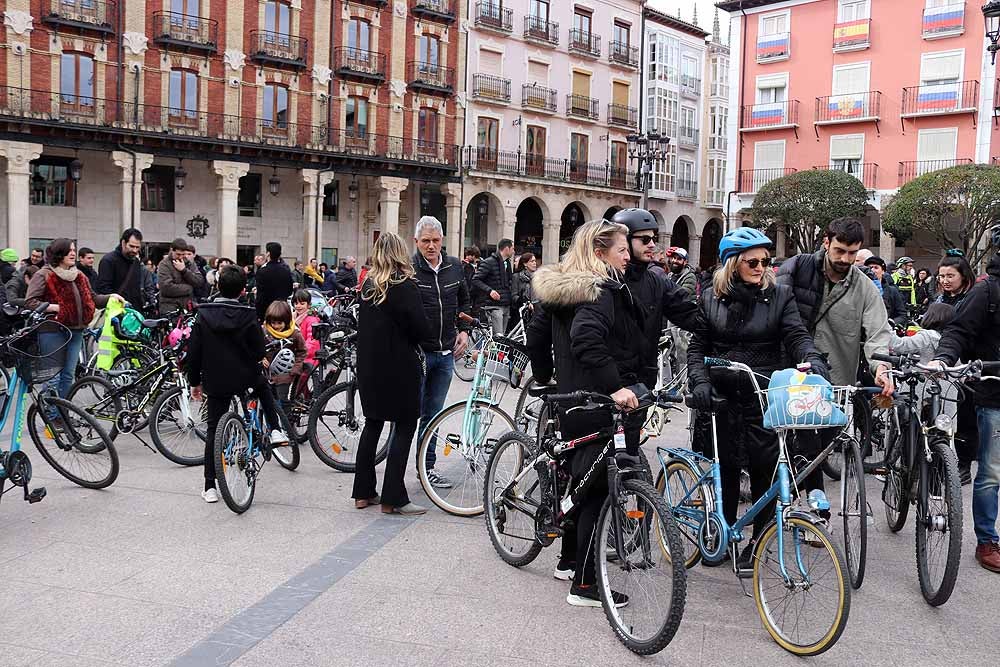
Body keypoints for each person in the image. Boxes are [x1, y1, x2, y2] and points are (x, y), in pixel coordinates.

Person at [688, 227, 828, 570]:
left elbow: (797, 335)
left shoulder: (780, 296)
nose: (761, 266)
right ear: (733, 263)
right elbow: (697, 347)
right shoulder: (709, 297)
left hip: (763, 393)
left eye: (766, 261)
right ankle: (720, 532)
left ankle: (759, 539)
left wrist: (813, 358)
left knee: (766, 469)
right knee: (726, 469)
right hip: (721, 396)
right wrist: (700, 381)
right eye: (753, 261)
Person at [526, 219, 643, 607]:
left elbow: (538, 335)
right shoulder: (600, 292)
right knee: (594, 494)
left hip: (569, 400)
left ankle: (568, 560)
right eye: (621, 250)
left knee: (580, 482)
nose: (628, 256)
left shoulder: (561, 289)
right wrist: (616, 387)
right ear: (599, 252)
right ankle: (587, 586)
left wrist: (544, 378)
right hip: (596, 401)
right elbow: (586, 340)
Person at [776, 218, 895, 506]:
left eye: (852, 253)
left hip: (837, 380)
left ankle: (792, 492)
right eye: (840, 250)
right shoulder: (797, 268)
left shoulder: (864, 287)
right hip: (793, 372)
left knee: (823, 444)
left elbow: (878, 332)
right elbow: (775, 311)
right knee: (802, 439)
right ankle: (811, 508)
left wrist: (881, 369)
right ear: (826, 242)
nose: (845, 259)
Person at [187, 265, 288, 504]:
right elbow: (258, 349)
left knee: (214, 430)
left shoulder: (204, 314)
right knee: (263, 387)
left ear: (218, 286)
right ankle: (274, 429)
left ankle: (210, 486)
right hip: (245, 377)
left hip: (216, 379)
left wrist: (195, 381)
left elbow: (194, 352)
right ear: (243, 290)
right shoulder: (248, 314)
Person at [932, 227, 1000, 572]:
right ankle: (987, 541)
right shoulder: (986, 290)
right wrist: (943, 359)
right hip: (993, 396)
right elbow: (957, 331)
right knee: (990, 471)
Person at [353, 233, 431, 515]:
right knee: (405, 425)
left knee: (372, 425)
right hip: (399, 365)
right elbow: (419, 327)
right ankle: (393, 497)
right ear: (400, 253)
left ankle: (363, 492)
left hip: (370, 366)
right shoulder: (403, 284)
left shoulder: (368, 285)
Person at [26, 239, 122, 413]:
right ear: (58, 254)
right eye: (68, 250)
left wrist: (111, 297)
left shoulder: (79, 275)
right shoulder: (44, 274)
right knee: (53, 376)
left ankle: (63, 413)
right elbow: (31, 301)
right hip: (53, 330)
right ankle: (51, 415)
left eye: (73, 250)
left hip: (76, 330)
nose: (72, 253)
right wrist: (56, 307)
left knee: (68, 375)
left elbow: (93, 298)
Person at [411, 217, 471, 489]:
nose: (431, 246)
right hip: (418, 354)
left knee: (433, 414)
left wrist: (463, 330)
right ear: (416, 242)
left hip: (446, 354)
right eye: (426, 241)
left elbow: (465, 301)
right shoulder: (409, 269)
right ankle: (397, 469)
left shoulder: (454, 267)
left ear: (442, 240)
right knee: (408, 413)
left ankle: (427, 468)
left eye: (435, 240)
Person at [611, 209, 701, 387]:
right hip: (608, 384)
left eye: (653, 238)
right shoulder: (604, 281)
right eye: (644, 239)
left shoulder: (657, 281)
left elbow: (688, 312)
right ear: (624, 241)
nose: (652, 244)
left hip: (643, 381)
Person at [933, 251, 979, 485]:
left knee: (966, 419)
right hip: (941, 364)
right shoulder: (940, 300)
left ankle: (964, 464)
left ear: (964, 276)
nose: (945, 280)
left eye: (950, 275)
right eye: (941, 276)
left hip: (967, 368)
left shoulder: (973, 298)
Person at [262, 300, 307, 404]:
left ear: (286, 322)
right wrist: (261, 357)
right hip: (267, 373)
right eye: (273, 323)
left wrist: (295, 369)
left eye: (279, 323)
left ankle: (287, 419)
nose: (276, 326)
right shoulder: (264, 331)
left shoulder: (294, 333)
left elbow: (302, 351)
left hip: (285, 375)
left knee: (282, 400)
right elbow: (257, 347)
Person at [96, 228, 145, 309]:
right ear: (123, 243)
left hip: (133, 313)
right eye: (131, 246)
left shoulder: (136, 262)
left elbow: (137, 290)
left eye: (137, 247)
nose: (135, 250)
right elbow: (104, 289)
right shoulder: (108, 260)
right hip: (116, 312)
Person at [473, 238, 514, 334]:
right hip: (494, 306)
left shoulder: (507, 263)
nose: (514, 251)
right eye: (513, 248)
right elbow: (476, 280)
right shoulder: (489, 262)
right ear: (507, 249)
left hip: (506, 304)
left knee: (502, 339)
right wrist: (490, 291)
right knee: (498, 338)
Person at [889, 302, 953, 364]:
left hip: (919, 373)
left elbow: (898, 346)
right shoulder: (950, 340)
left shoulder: (925, 337)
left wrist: (887, 327)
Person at [157, 238, 205, 315]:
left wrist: (184, 270)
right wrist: (189, 288)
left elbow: (199, 281)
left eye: (183, 254)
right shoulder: (164, 264)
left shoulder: (189, 263)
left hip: (187, 307)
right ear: (172, 250)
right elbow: (166, 288)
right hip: (170, 308)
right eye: (178, 254)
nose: (180, 257)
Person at [253, 242, 294, 322]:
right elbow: (289, 291)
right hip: (282, 310)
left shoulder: (262, 272)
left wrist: (258, 315)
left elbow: (260, 296)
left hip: (267, 311)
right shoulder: (286, 270)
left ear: (268, 254)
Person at [863, 256, 908, 327]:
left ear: (883, 271)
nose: (872, 270)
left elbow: (902, 315)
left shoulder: (892, 291)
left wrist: (891, 323)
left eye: (876, 267)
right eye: (870, 268)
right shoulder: (860, 290)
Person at [292, 289, 321, 367]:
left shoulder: (312, 320)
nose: (298, 306)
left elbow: (312, 341)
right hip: (295, 355)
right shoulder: (292, 317)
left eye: (302, 304)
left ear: (308, 305)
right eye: (296, 303)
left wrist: (300, 352)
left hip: (307, 358)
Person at [510, 251, 537, 329]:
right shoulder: (517, 277)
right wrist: (525, 303)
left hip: (535, 312)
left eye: (535, 261)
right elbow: (514, 296)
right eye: (532, 261)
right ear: (525, 264)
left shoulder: (538, 277)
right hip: (520, 312)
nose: (534, 263)